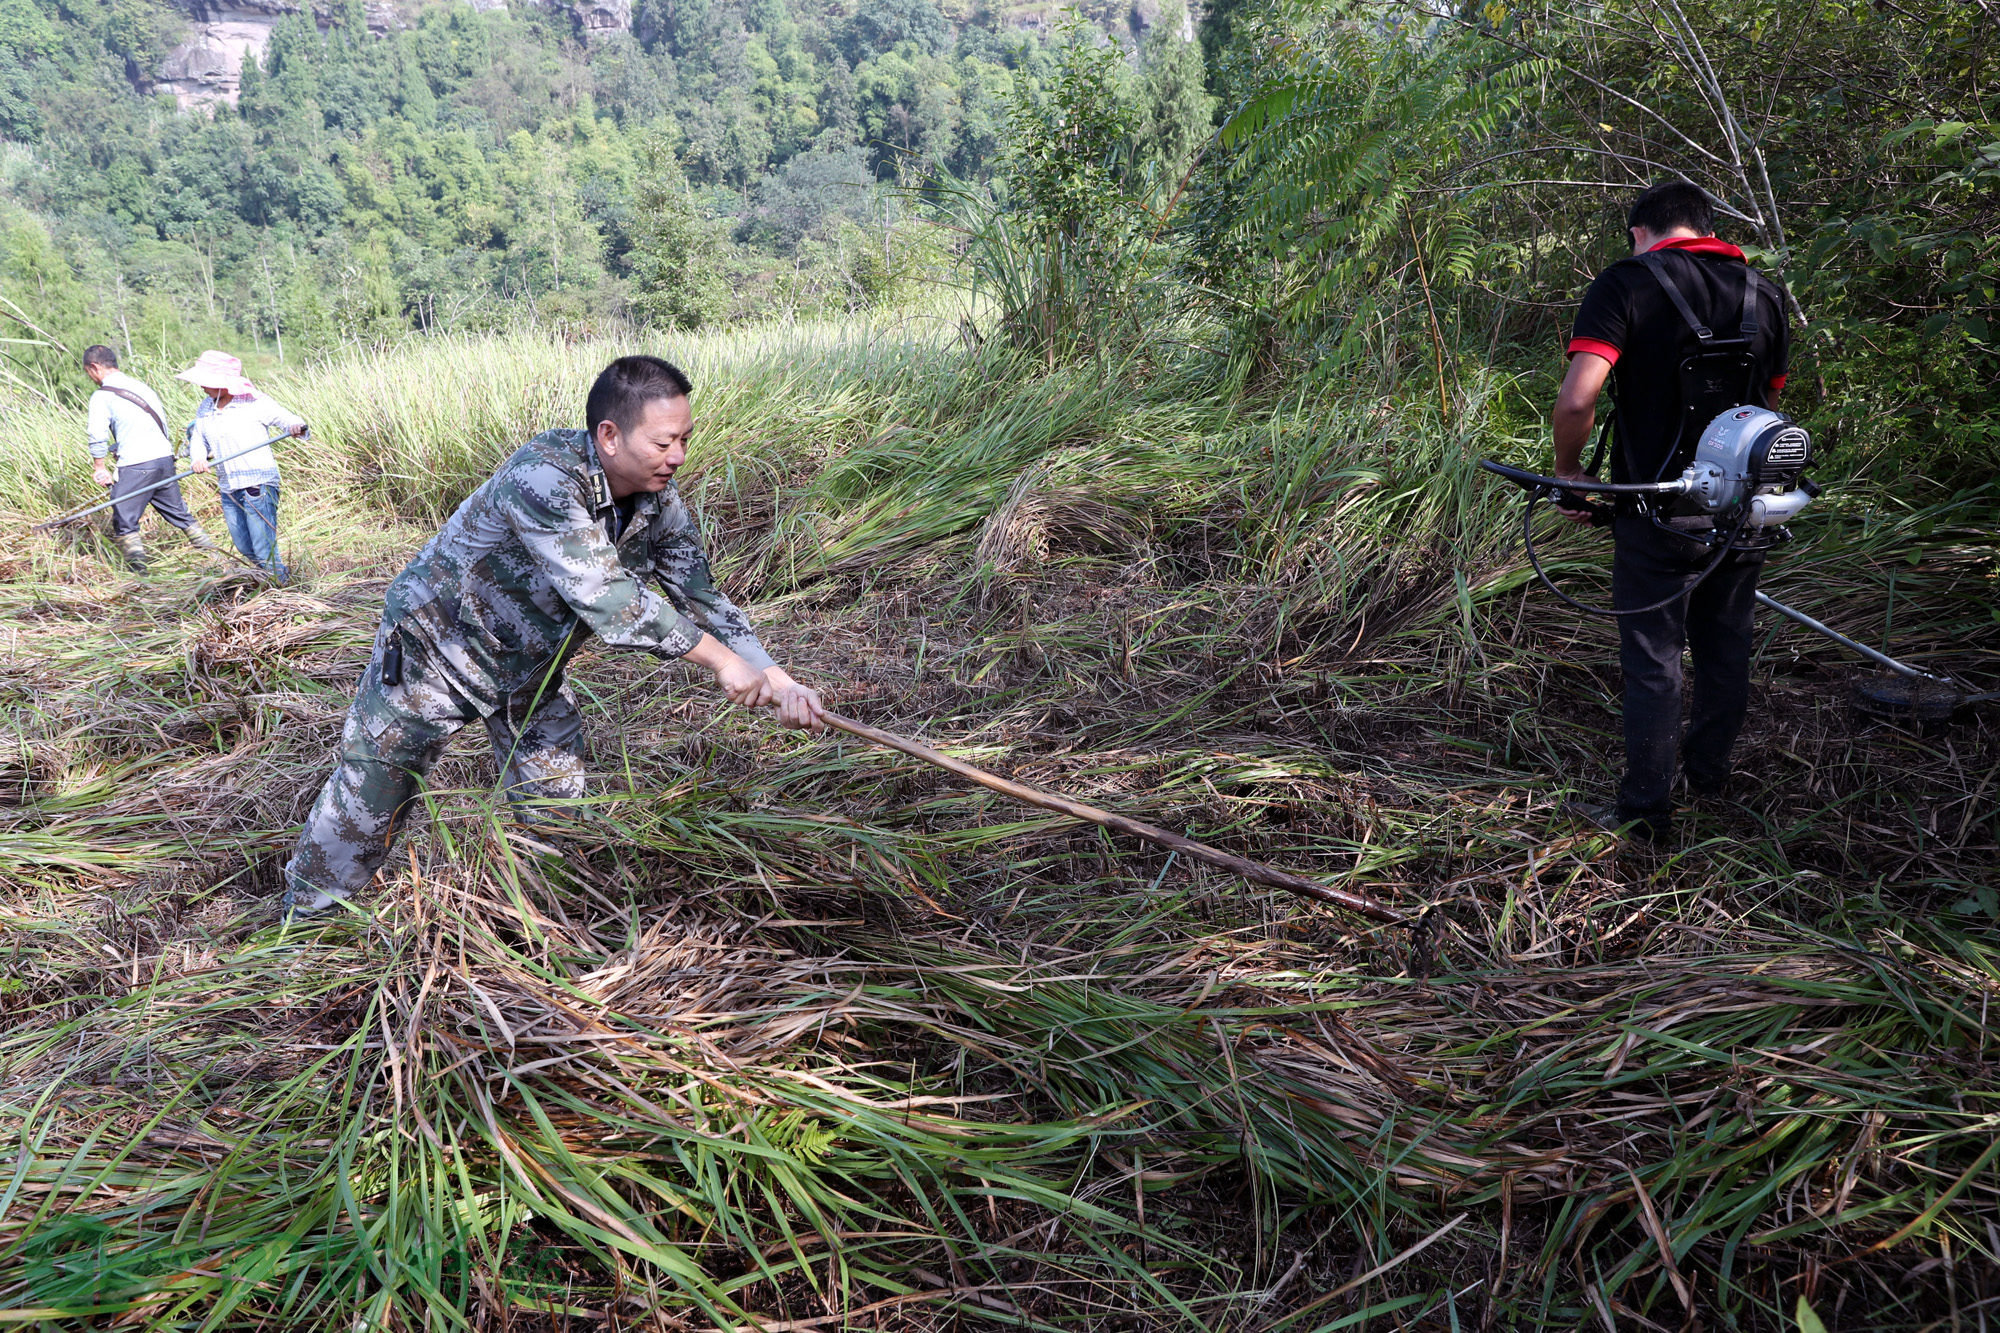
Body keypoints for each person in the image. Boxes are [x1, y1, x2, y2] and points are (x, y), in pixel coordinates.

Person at [279, 355, 827, 918]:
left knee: (555, 797)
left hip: (530, 664)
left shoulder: (657, 497)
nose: (678, 457)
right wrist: (721, 664)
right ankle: (305, 927)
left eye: (686, 439)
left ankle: (533, 914)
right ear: (609, 436)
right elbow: (608, 595)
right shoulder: (544, 475)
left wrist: (777, 678)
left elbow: (702, 595)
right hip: (436, 651)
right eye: (664, 443)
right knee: (373, 796)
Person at [1550, 181, 1790, 841]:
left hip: (1655, 512)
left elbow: (1577, 402)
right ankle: (1709, 775)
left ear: (1641, 232)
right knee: (1726, 646)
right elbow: (1769, 408)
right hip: (1742, 508)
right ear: (1705, 226)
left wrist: (1570, 474)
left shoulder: (1625, 283)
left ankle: (1646, 814)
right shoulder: (1765, 295)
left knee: (1655, 660)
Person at [82, 345, 219, 572]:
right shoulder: (141, 387)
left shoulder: (102, 396)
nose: (90, 377)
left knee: (124, 521)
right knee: (180, 514)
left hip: (137, 465)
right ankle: (215, 558)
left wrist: (99, 466)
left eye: (88, 371)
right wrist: (120, 445)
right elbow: (154, 425)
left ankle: (141, 579)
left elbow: (96, 435)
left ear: (95, 367)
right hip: (163, 460)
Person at [177, 350, 308, 584]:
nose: (202, 387)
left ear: (222, 382)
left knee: (263, 548)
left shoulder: (254, 402)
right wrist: (198, 458)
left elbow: (288, 419)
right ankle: (275, 579)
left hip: (257, 484)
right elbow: (198, 438)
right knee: (244, 546)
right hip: (229, 486)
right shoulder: (206, 407)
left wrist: (297, 427)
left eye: (206, 382)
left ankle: (283, 590)